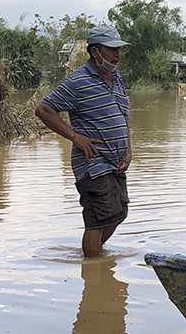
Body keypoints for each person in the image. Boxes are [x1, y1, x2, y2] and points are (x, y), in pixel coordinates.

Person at [35, 24, 132, 258]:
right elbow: (44, 109)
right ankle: (92, 271)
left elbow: (123, 117)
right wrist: (75, 137)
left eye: (118, 49)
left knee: (119, 213)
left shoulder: (116, 79)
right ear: (95, 52)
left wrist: (128, 150)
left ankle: (93, 255)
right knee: (98, 221)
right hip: (93, 163)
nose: (117, 54)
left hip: (116, 161)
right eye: (111, 50)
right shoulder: (77, 82)